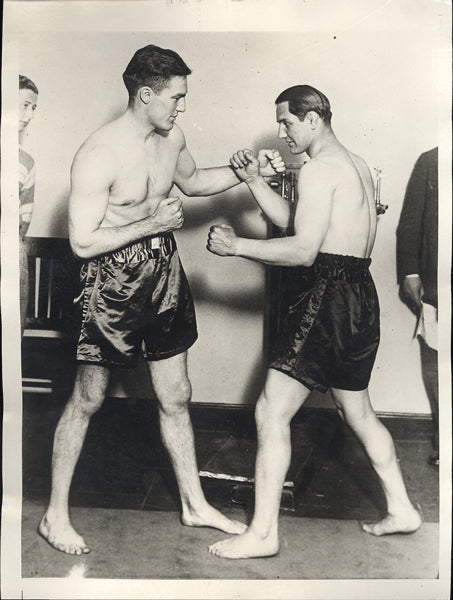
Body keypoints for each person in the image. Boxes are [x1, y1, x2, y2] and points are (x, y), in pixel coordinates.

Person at [38, 44, 284, 555]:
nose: (182, 106)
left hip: (162, 272)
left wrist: (245, 172)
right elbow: (82, 242)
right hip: (110, 280)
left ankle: (193, 504)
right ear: (144, 93)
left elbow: (192, 184)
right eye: (175, 96)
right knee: (88, 397)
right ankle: (54, 515)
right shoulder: (99, 153)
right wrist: (151, 223)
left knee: (177, 394)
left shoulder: (171, 137)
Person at [207, 85, 422, 559]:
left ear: (313, 119)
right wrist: (253, 182)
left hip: (327, 296)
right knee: (358, 412)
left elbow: (305, 251)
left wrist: (237, 246)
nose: (282, 133)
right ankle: (403, 509)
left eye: (286, 122)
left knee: (270, 411)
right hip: (359, 296)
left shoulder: (321, 168)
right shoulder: (355, 164)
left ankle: (262, 534)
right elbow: (306, 224)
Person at [396, 148, 439, 467]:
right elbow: (411, 222)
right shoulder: (431, 160)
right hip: (440, 288)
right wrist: (411, 271)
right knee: (437, 365)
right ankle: (445, 440)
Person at [19, 74, 39, 336]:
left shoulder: (26, 162)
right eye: (24, 105)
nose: (30, 114)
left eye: (33, 107)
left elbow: (23, 221)